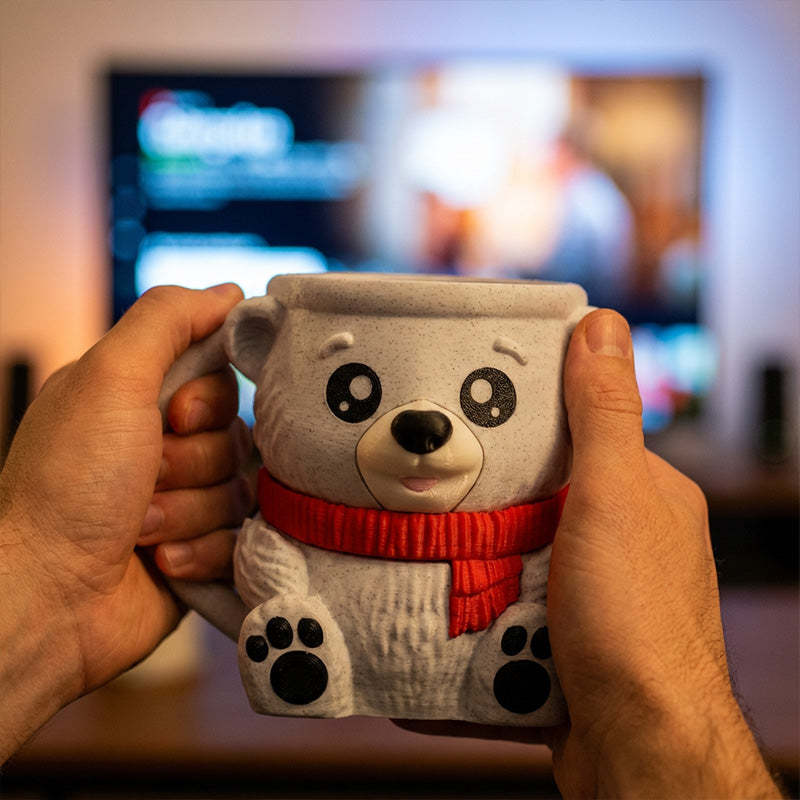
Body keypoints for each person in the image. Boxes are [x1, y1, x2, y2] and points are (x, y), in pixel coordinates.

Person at [0, 285, 781, 798]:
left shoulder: (556, 537)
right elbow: (270, 560)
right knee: (283, 583)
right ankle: (304, 654)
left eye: (491, 395)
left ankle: (513, 663)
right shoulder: (284, 521)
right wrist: (53, 572)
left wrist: (644, 702)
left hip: (504, 590)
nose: (423, 423)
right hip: (316, 571)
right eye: (352, 390)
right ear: (262, 351)